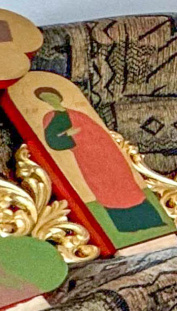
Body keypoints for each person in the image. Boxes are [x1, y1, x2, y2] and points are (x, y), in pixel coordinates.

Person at [33, 85, 167, 233]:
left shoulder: (78, 114)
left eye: (51, 95)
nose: (50, 99)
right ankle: (127, 226)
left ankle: (151, 221)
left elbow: (98, 133)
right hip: (88, 159)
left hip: (107, 154)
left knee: (125, 184)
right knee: (106, 189)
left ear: (58, 96)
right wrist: (68, 134)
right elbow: (53, 141)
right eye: (46, 98)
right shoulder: (51, 117)